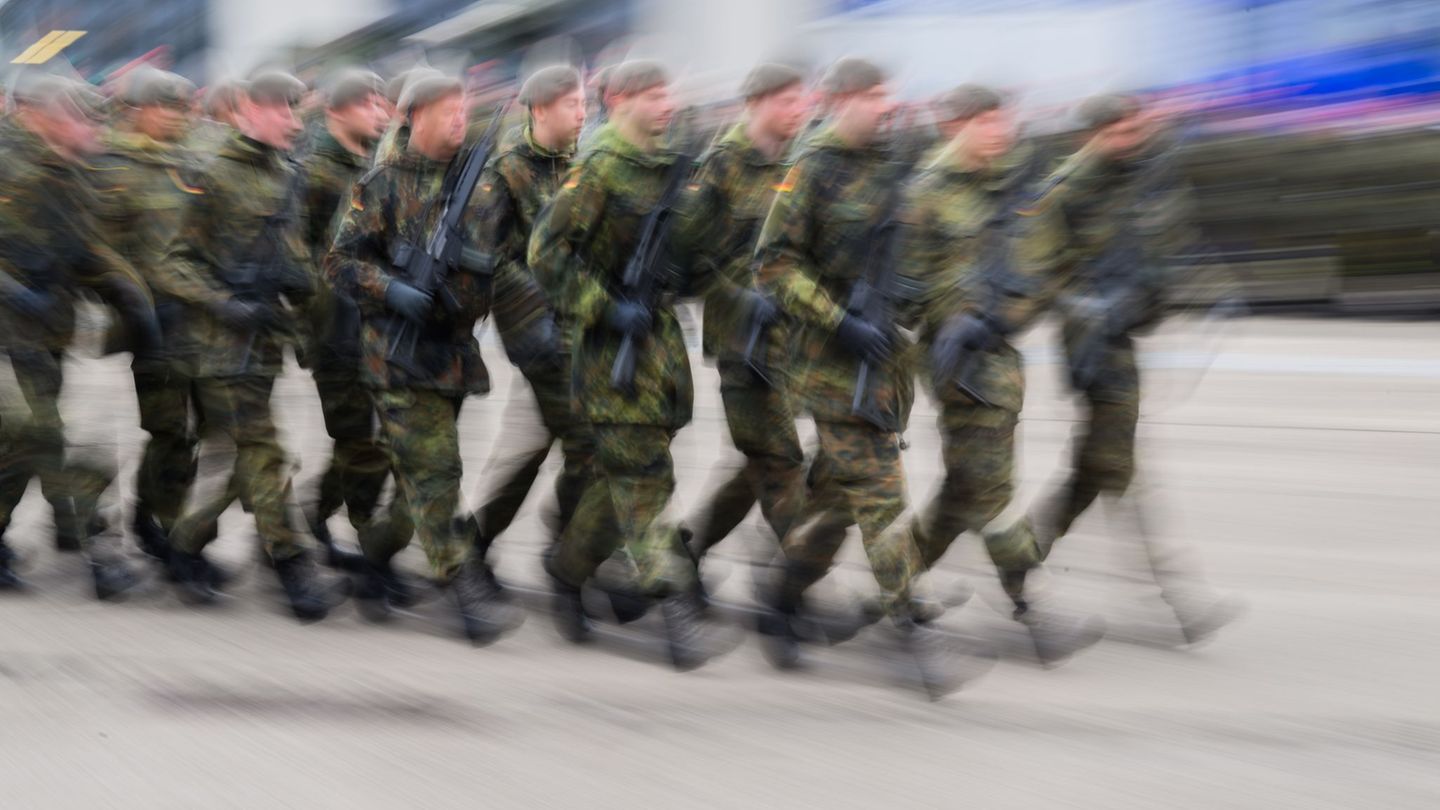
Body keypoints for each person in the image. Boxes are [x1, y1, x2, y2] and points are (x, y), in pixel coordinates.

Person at [750, 58, 962, 692]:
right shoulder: (811, 168)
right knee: (880, 495)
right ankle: (911, 626)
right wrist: (839, 319)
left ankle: (780, 593)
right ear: (839, 100)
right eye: (874, 96)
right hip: (830, 364)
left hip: (887, 362)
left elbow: (921, 254)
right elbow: (774, 265)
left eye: (889, 94)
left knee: (835, 503)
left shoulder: (898, 167)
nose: (887, 105)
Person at [325, 73, 549, 642]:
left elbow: (506, 262)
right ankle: (463, 586)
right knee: (437, 473)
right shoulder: (379, 184)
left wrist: (535, 325)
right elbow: (339, 263)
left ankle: (373, 560)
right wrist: (390, 288)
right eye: (448, 111)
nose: (459, 120)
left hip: (449, 354)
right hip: (395, 357)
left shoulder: (481, 185)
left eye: (464, 111)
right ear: (415, 115)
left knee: (417, 487)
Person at [1025, 93, 1239, 644]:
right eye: (1117, 133)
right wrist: (1088, 307)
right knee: (1121, 470)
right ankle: (1178, 594)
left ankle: (1020, 556)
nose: (1130, 141)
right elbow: (1039, 272)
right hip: (1093, 347)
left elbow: (1164, 248)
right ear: (1088, 136)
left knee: (1096, 473)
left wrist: (1208, 290)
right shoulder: (1065, 191)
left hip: (1124, 336)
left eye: (1134, 130)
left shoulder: (1137, 173)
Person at [903, 84, 1104, 663]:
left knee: (964, 489)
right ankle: (1030, 603)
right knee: (990, 490)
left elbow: (1045, 273)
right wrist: (953, 318)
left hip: (1000, 358)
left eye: (1003, 120)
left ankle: (893, 584)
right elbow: (906, 290)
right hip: (953, 363)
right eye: (985, 121)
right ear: (955, 125)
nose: (999, 130)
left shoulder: (1019, 190)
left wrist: (1000, 315)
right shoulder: (926, 193)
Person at [528, 60, 714, 670]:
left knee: (627, 482)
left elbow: (690, 257)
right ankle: (673, 599)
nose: (668, 104)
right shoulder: (599, 170)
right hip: (613, 350)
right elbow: (546, 255)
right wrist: (605, 309)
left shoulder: (672, 168)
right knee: (640, 481)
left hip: (658, 346)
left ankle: (566, 569)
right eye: (655, 95)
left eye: (670, 93)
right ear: (621, 100)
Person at [162, 71, 338, 622]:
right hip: (221, 344)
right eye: (283, 109)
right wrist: (222, 302)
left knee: (247, 460)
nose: (293, 120)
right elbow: (172, 262)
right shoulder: (212, 174)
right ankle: (292, 564)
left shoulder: (287, 174)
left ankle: (184, 543)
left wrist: (310, 323)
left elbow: (295, 261)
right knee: (264, 452)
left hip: (266, 338)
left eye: (296, 109)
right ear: (248, 110)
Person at [0, 72, 162, 597]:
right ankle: (100, 548)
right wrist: (12, 291)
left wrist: (129, 294)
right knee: (46, 435)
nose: (93, 128)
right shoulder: (9, 162)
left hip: (43, 332)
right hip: (7, 333)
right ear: (42, 114)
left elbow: (86, 248)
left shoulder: (70, 172)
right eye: (80, 117)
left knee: (22, 443)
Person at [464, 65, 599, 571]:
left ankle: (478, 537)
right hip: (536, 332)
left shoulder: (579, 165)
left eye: (584, 103)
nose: (583, 113)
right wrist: (539, 308)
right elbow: (488, 258)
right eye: (572, 104)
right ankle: (568, 547)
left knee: (536, 442)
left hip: (579, 327)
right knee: (586, 439)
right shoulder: (507, 170)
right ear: (540, 109)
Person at [677, 63, 810, 573]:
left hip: (793, 338)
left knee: (763, 460)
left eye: (801, 100)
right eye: (786, 101)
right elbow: (689, 259)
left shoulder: (798, 161)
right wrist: (737, 290)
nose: (798, 110)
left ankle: (690, 550)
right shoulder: (721, 165)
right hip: (744, 341)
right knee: (779, 461)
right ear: (755, 103)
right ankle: (799, 582)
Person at [90, 67, 208, 569]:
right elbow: (97, 249)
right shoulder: (111, 167)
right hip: (151, 325)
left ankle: (157, 516)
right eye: (168, 107)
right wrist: (132, 301)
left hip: (199, 319)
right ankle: (152, 525)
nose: (179, 116)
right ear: (139, 111)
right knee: (167, 429)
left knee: (194, 430)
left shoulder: (191, 163)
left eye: (183, 107)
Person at [298, 68, 394, 572]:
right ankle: (357, 535)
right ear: (336, 111)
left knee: (367, 440)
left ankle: (313, 519)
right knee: (360, 440)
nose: (379, 111)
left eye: (381, 102)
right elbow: (295, 254)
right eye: (367, 103)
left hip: (373, 326)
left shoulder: (375, 168)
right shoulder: (314, 172)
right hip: (334, 326)